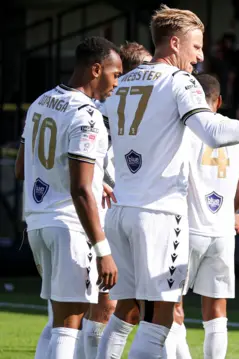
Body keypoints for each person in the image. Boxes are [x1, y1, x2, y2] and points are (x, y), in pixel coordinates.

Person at [96, 5, 239, 359]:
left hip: (121, 211)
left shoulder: (125, 81)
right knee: (159, 320)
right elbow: (213, 131)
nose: (199, 57)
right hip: (159, 214)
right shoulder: (179, 81)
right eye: (196, 48)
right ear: (176, 43)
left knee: (126, 312)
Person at [19, 36, 121, 359]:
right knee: (70, 323)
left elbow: (21, 167)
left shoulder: (39, 102)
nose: (116, 83)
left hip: (37, 223)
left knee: (58, 319)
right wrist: (103, 248)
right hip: (68, 228)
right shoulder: (88, 116)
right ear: (96, 69)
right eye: (115, 74)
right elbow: (80, 188)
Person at [80, 40, 152, 359]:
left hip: (114, 212)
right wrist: (106, 184)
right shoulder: (103, 110)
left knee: (114, 307)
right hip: (102, 213)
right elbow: (95, 158)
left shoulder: (127, 108)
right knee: (105, 306)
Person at [184, 73, 239, 359]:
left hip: (188, 228)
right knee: (217, 313)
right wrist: (230, 214)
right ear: (220, 101)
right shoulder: (238, 130)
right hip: (222, 232)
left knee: (171, 306)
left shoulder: (185, 128)